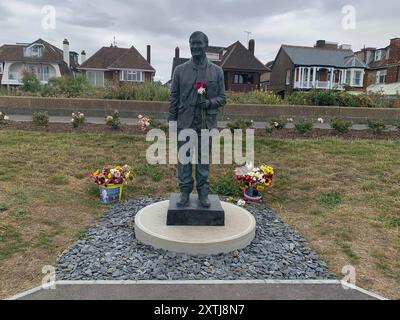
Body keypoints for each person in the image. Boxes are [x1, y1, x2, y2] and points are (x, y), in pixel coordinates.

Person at [168, 31, 226, 207]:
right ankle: (184, 192)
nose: (195, 47)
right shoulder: (180, 70)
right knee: (184, 160)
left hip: (205, 124)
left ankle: (203, 193)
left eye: (198, 43)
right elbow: (174, 99)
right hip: (185, 123)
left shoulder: (217, 71)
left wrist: (208, 103)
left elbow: (222, 98)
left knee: (203, 161)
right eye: (192, 43)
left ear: (206, 45)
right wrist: (172, 122)